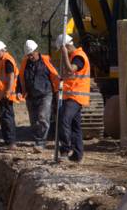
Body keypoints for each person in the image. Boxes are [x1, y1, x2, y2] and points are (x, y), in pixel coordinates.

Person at [55, 33, 90, 163]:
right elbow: (70, 75)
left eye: (62, 50)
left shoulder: (78, 57)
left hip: (75, 96)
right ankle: (77, 155)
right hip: (72, 95)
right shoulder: (75, 56)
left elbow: (71, 70)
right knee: (76, 127)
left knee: (64, 120)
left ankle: (65, 151)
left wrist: (64, 54)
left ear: (67, 46)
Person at [19, 39, 60, 151]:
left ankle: (40, 142)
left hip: (45, 94)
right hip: (31, 95)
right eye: (28, 55)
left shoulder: (46, 61)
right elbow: (21, 77)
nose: (30, 57)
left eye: (31, 55)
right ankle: (37, 139)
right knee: (33, 121)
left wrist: (57, 92)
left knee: (43, 117)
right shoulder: (25, 63)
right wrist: (20, 91)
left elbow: (55, 76)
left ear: (36, 51)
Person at [0, 40, 20, 145]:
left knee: (7, 118)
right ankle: (8, 141)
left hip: (7, 95)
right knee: (4, 118)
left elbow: (11, 77)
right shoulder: (3, 60)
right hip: (4, 95)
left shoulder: (7, 60)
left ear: (2, 50)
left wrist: (8, 92)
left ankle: (11, 142)